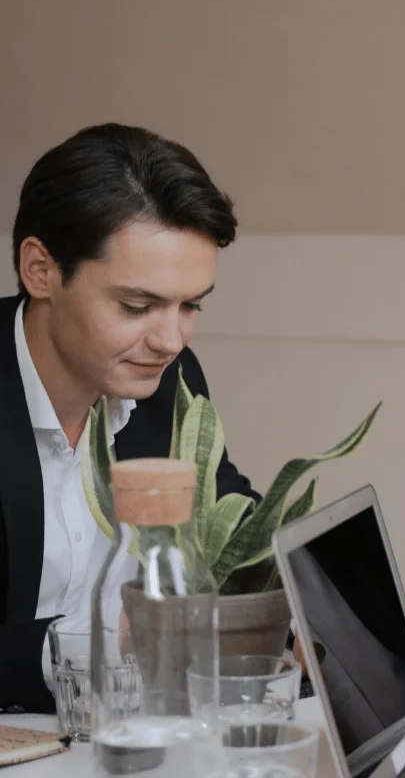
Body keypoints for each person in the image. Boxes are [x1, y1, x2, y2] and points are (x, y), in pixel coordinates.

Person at [0, 123, 255, 714]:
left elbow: (233, 519)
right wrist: (99, 647)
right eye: (137, 306)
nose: (171, 341)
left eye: (191, 305)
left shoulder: (172, 381)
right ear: (40, 270)